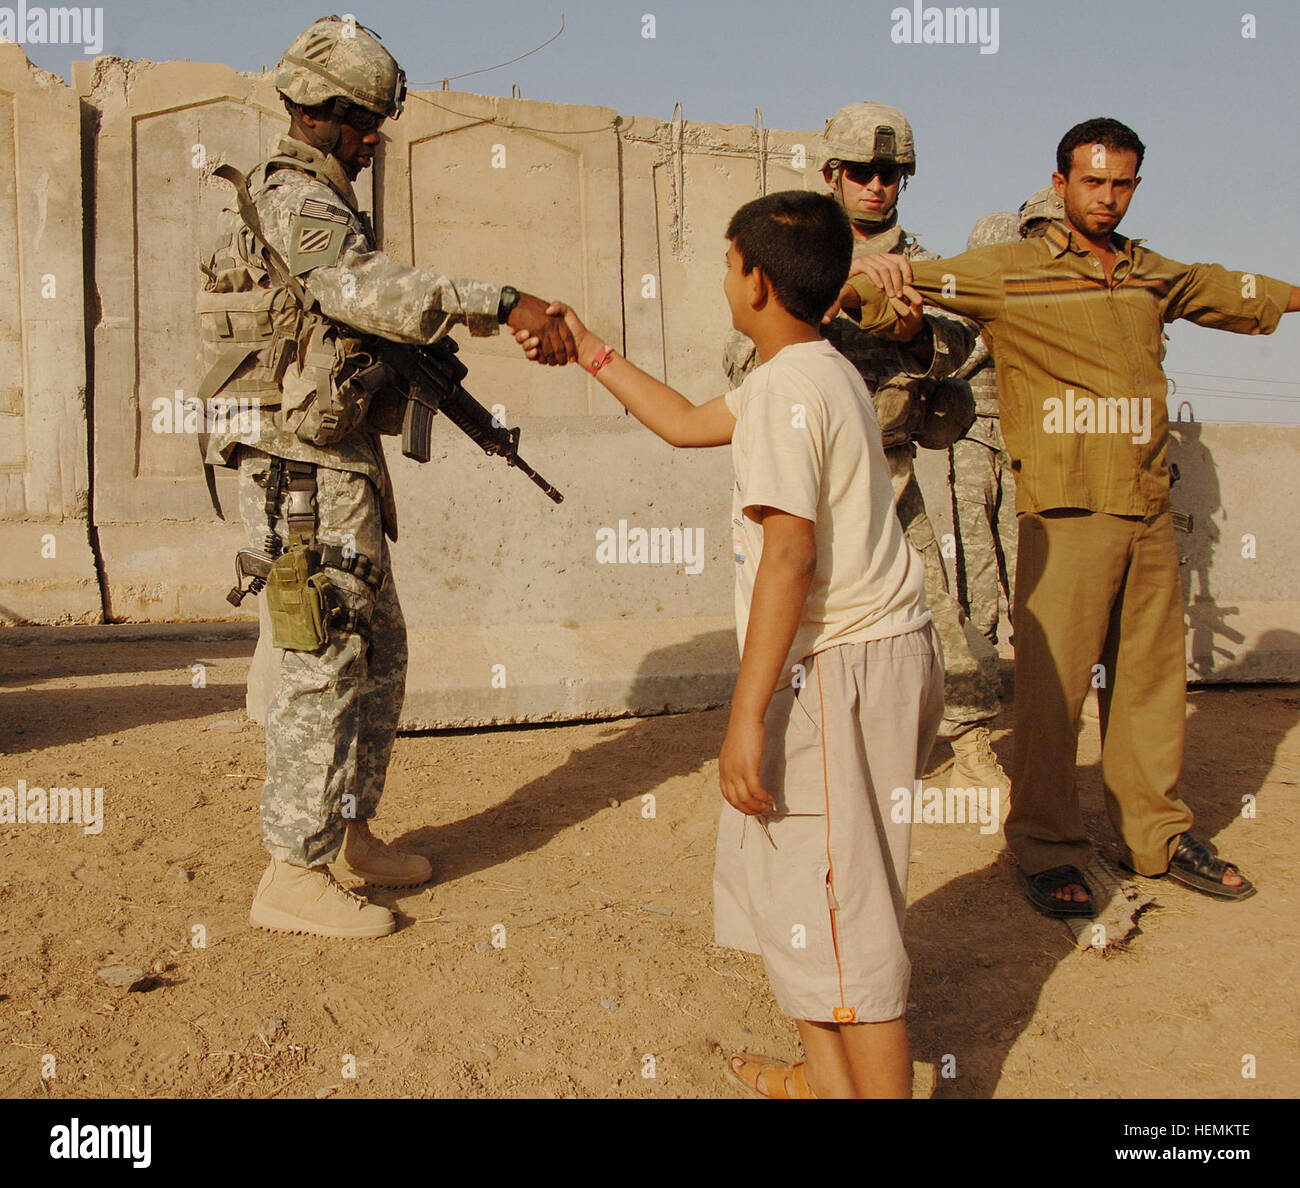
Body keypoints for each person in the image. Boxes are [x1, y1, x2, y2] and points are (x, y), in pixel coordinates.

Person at [517, 191, 943, 1098]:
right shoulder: (810, 370)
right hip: (858, 659)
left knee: (843, 914)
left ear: (754, 279)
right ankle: (829, 1085)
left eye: (724, 263)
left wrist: (745, 718)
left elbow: (789, 555)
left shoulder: (791, 391)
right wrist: (590, 348)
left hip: (841, 668)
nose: (723, 278)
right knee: (801, 894)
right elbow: (681, 423)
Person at [837, 117, 1299, 917]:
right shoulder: (1009, 270)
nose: (1107, 198)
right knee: (1053, 693)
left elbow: (1232, 289)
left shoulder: (1152, 272)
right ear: (1061, 185)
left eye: (1121, 183)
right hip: (1066, 510)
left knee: (1151, 684)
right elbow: (896, 291)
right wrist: (872, 276)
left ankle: (1154, 833)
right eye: (1093, 183)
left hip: (1148, 507)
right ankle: (1049, 844)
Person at [199, 15, 576, 939]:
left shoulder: (322, 198)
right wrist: (497, 300)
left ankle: (348, 831)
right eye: (363, 123)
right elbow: (362, 290)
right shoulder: (295, 197)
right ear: (320, 113)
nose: (372, 142)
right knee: (321, 660)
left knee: (380, 651)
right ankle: (292, 872)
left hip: (335, 461)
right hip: (301, 470)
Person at [727, 102, 1005, 794]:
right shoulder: (801, 251)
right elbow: (740, 360)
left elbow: (961, 347)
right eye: (861, 171)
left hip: (889, 472)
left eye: (890, 173)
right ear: (832, 173)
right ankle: (790, 742)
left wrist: (913, 335)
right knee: (789, 613)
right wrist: (828, 306)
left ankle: (965, 739)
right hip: (801, 471)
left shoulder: (922, 266)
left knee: (935, 611)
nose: (876, 185)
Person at [949, 210, 1020, 647]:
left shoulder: (1032, 305)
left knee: (1023, 554)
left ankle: (1032, 655)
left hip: (1017, 436)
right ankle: (981, 648)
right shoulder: (959, 305)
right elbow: (945, 366)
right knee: (976, 551)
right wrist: (983, 341)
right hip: (972, 433)